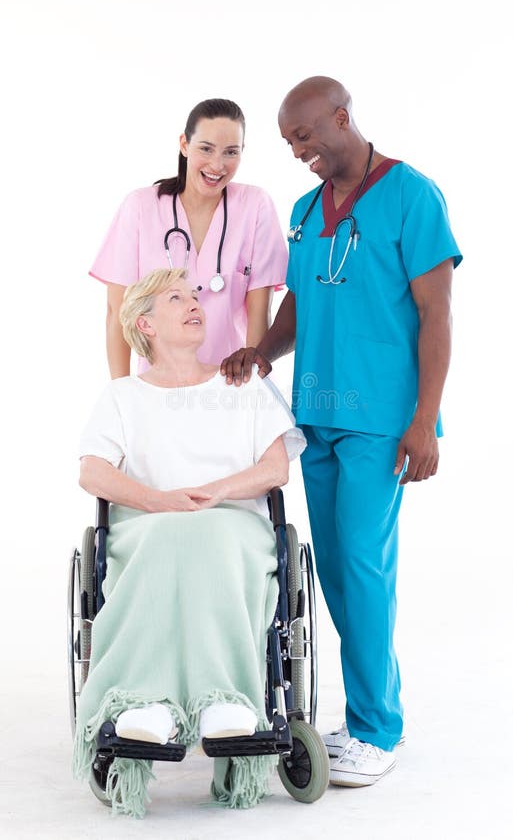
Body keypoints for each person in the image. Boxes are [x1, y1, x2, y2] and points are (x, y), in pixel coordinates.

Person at [221, 76, 462, 788]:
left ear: (342, 117)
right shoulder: (306, 208)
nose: (299, 151)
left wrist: (424, 420)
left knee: (362, 567)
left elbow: (437, 315)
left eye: (306, 135)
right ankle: (362, 719)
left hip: (381, 422)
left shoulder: (412, 195)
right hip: (317, 414)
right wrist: (263, 351)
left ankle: (377, 729)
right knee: (334, 573)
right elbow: (303, 294)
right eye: (290, 143)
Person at [73, 267, 305, 817]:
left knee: (207, 536)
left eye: (196, 294)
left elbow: (276, 468)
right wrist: (159, 501)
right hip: (148, 528)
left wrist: (213, 492)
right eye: (176, 298)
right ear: (145, 323)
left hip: (234, 529)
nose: (195, 303)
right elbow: (92, 472)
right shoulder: (122, 396)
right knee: (169, 539)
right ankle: (146, 701)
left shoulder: (243, 384)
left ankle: (223, 699)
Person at [90, 98, 288, 377]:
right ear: (184, 144)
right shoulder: (140, 207)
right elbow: (117, 313)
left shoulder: (255, 206)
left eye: (231, 152)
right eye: (206, 149)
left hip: (229, 386)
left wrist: (250, 388)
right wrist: (122, 395)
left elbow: (260, 312)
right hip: (157, 387)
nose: (217, 165)